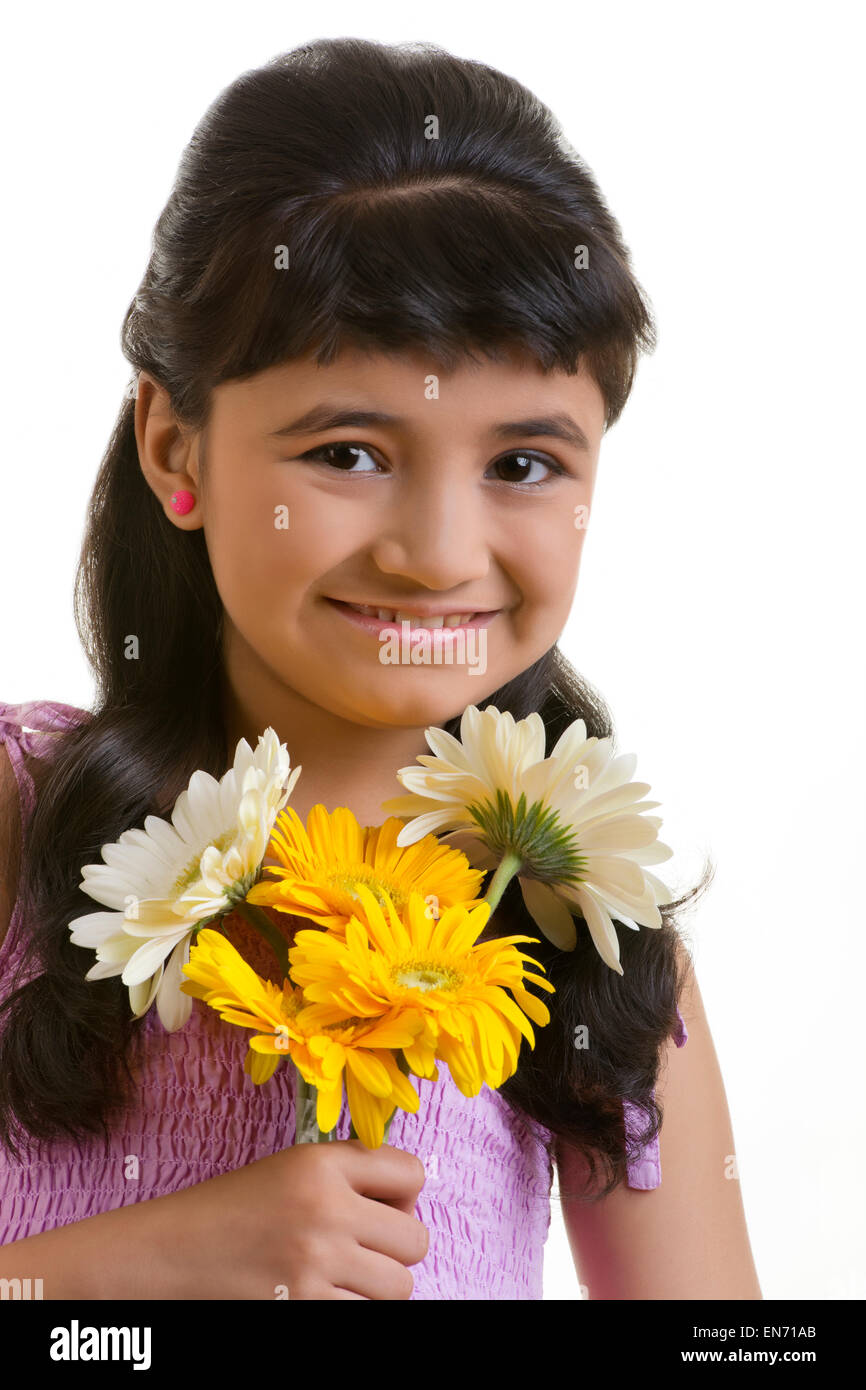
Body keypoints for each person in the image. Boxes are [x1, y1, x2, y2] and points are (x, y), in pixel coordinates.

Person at [0, 37, 761, 1300]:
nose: (435, 555)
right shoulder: (23, 821)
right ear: (175, 445)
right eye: (348, 453)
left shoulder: (594, 952)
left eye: (521, 464)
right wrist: (131, 1273)